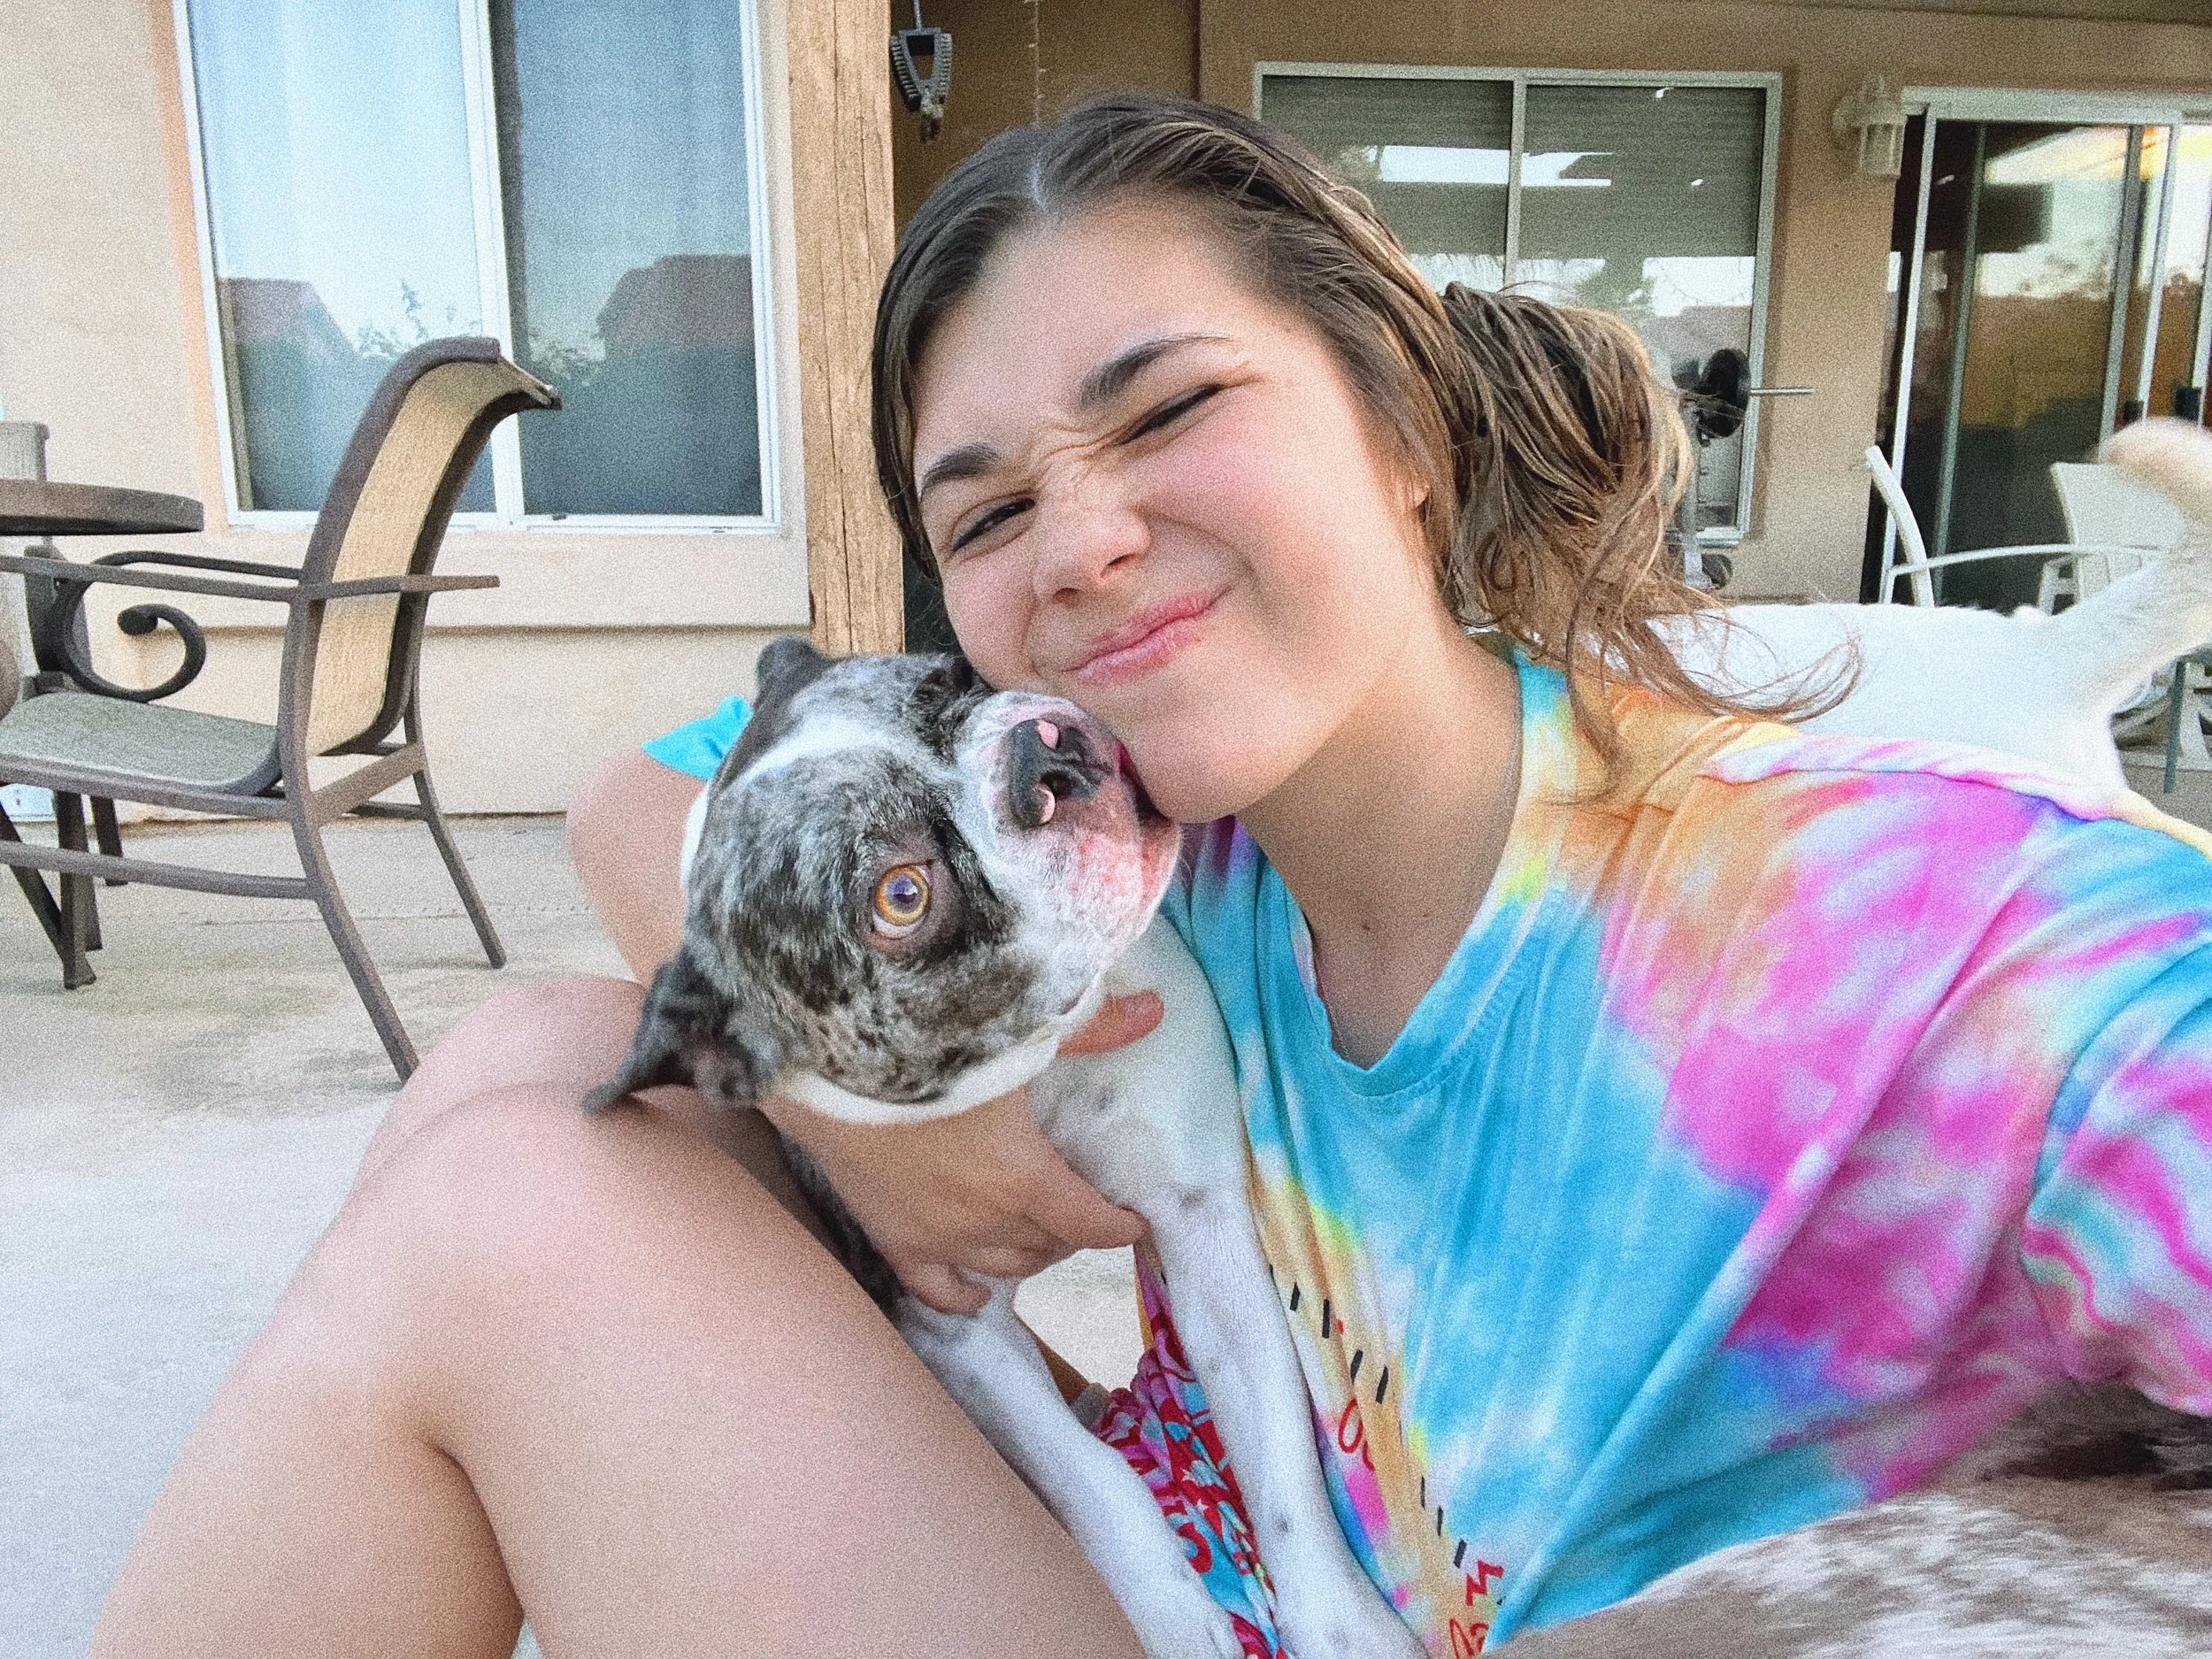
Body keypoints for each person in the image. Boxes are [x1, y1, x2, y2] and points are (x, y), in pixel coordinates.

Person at [95, 94, 2212, 1658]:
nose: (1081, 541)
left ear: (1402, 421)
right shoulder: (1118, 815)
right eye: (987, 504)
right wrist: (867, 1115)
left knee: (500, 1211)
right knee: (539, 1054)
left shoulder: (1934, 945)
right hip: (1209, 1574)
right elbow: (641, 810)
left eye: (1168, 409)